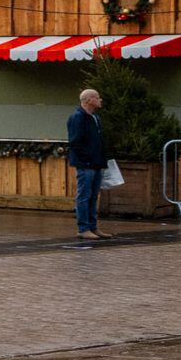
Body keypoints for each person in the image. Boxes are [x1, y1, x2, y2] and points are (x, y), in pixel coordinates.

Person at [69, 86, 110, 243]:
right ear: (88, 100)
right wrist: (86, 159)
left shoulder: (94, 117)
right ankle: (83, 228)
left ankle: (93, 227)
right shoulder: (77, 118)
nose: (100, 100)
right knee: (84, 196)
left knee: (93, 196)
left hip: (96, 163)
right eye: (97, 97)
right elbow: (75, 142)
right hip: (86, 164)